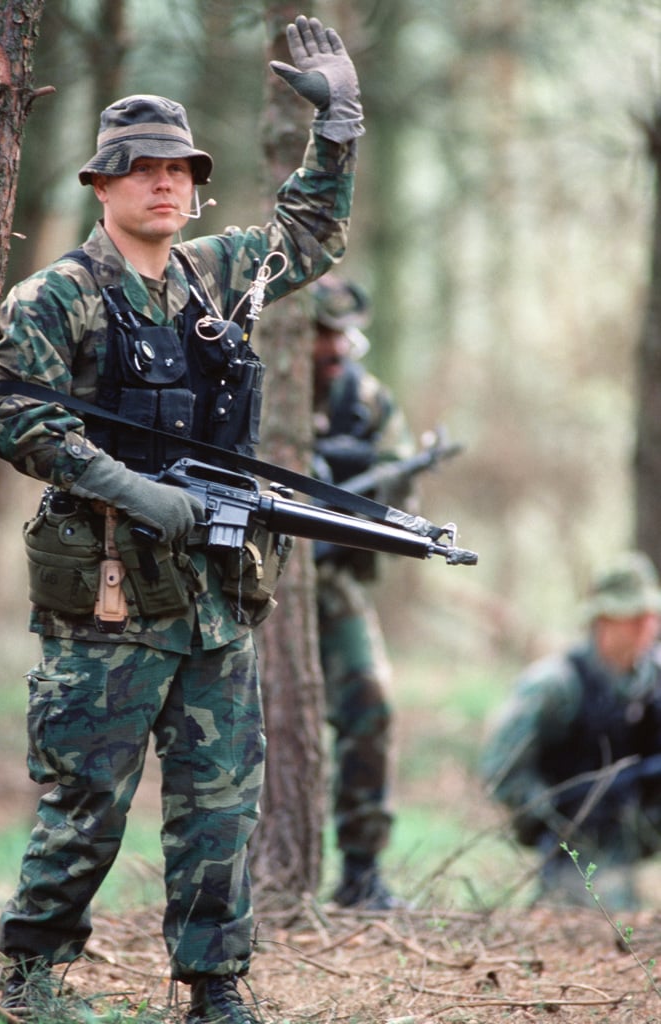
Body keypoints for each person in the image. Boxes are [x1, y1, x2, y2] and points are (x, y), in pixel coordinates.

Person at [0, 16, 363, 1024]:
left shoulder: (217, 275)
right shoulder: (55, 295)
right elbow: (16, 415)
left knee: (219, 803)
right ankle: (28, 964)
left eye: (179, 168)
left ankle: (211, 984)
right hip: (109, 593)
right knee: (87, 799)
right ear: (102, 184)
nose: (164, 183)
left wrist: (336, 130)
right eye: (141, 168)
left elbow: (309, 238)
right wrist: (137, 490)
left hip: (213, 598)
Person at [310, 274, 416, 910]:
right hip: (245, 581)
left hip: (334, 580)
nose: (335, 350)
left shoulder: (366, 400)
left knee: (370, 702)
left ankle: (361, 870)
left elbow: (404, 491)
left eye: (343, 337)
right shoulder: (251, 382)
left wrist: (367, 488)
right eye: (323, 335)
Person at [481, 551, 661, 909]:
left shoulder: (654, 682)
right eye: (632, 616)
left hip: (638, 839)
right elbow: (502, 770)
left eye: (650, 616)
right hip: (576, 848)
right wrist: (556, 819)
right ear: (602, 620)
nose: (646, 626)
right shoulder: (554, 685)